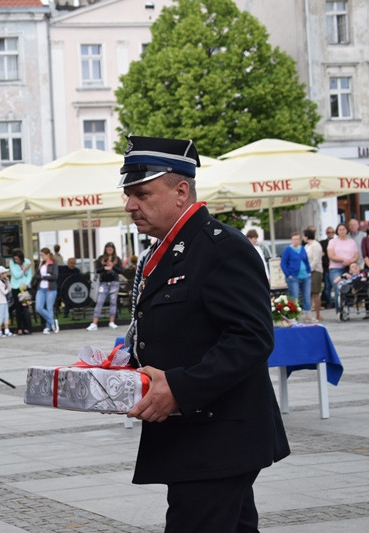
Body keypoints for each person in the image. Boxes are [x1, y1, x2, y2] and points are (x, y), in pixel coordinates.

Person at [119, 136, 288, 532]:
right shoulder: (166, 250)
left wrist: (178, 386)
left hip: (219, 435)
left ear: (181, 192)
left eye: (142, 193)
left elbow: (252, 338)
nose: (130, 205)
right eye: (128, 195)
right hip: (197, 437)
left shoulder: (220, 247)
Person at [87, 242, 123, 330]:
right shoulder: (101, 258)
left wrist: (112, 267)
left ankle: (112, 321)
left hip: (114, 282)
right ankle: (94, 323)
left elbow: (121, 270)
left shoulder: (117, 259)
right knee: (99, 301)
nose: (109, 251)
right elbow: (97, 270)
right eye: (107, 249)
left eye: (110, 249)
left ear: (113, 250)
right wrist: (104, 268)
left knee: (113, 302)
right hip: (104, 282)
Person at [280, 232, 312, 318]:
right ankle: (294, 316)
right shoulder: (288, 250)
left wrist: (309, 271)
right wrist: (288, 274)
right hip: (293, 276)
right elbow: (283, 263)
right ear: (291, 240)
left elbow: (306, 261)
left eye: (297, 239)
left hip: (305, 276)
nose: (296, 241)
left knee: (307, 296)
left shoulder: (302, 248)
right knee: (294, 297)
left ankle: (307, 315)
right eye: (294, 239)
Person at [328, 223, 359, 313]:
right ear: (337, 231)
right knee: (339, 288)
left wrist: (350, 261)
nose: (342, 231)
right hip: (336, 268)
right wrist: (342, 259)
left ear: (347, 230)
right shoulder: (333, 242)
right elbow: (331, 255)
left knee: (349, 289)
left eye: (343, 229)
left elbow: (356, 256)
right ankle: (339, 310)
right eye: (340, 229)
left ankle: (346, 307)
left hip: (349, 268)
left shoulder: (351, 242)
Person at [33, 247, 59, 334]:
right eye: (40, 255)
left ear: (48, 255)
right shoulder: (41, 264)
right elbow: (36, 276)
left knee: (49, 308)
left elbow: (55, 276)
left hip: (51, 288)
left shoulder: (53, 264)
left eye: (43, 255)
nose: (42, 257)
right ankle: (53, 322)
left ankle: (48, 327)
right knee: (38, 307)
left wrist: (44, 277)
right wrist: (42, 273)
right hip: (41, 288)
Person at [8, 249, 33, 335]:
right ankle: (19, 328)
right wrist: (25, 269)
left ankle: (27, 327)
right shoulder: (12, 263)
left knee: (25, 307)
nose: (16, 261)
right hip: (16, 287)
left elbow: (29, 275)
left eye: (17, 259)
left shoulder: (27, 261)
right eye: (15, 259)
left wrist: (26, 284)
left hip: (25, 287)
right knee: (18, 308)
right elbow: (16, 275)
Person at [303, 228, 324, 321]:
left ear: (307, 236)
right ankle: (309, 313)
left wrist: (309, 270)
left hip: (315, 270)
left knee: (316, 292)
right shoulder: (306, 246)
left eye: (303, 236)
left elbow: (316, 259)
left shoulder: (316, 245)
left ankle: (318, 314)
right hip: (307, 271)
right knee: (309, 292)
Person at [0, 265, 13, 337]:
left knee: (6, 315)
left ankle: (7, 330)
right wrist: (7, 287)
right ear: (1, 274)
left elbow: (9, 289)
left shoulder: (4, 281)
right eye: (4, 273)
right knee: (1, 315)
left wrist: (8, 282)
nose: (6, 274)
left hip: (4, 300)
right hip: (0, 300)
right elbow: (5, 292)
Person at [320, 226, 334, 308]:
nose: (330, 234)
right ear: (326, 233)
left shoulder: (337, 242)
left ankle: (338, 302)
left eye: (332, 232)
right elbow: (322, 256)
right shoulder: (323, 243)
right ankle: (329, 303)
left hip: (337, 267)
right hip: (327, 268)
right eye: (329, 232)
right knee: (327, 287)